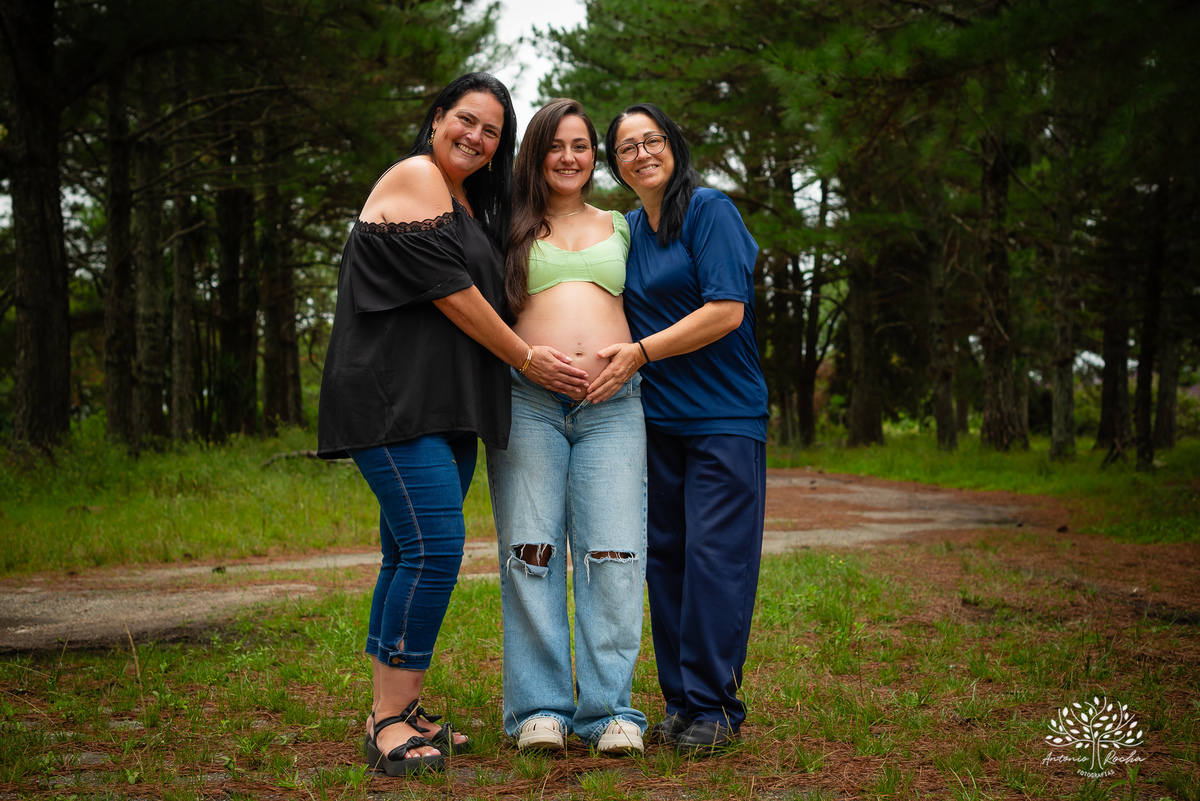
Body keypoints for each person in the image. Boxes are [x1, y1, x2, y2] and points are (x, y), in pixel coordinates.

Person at [316, 74, 589, 776]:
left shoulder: (468, 201)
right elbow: (453, 294)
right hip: (392, 397)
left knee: (405, 553)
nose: (475, 136)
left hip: (445, 405)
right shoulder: (416, 176)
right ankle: (386, 721)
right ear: (436, 119)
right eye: (464, 120)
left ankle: (397, 705)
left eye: (491, 130)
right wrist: (527, 357)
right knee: (435, 550)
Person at [589, 103, 769, 756]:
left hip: (724, 416)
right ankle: (681, 703)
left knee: (715, 561)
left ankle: (717, 705)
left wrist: (639, 353)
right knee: (665, 562)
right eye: (626, 146)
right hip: (657, 423)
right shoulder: (629, 229)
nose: (640, 152)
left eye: (651, 139)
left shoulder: (710, 212)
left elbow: (724, 311)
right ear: (616, 164)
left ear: (674, 146)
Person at [486, 98, 648, 755]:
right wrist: (524, 358)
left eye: (581, 145)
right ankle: (538, 709)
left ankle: (610, 710)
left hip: (614, 406)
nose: (569, 156)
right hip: (528, 402)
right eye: (555, 144)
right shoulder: (508, 226)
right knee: (531, 551)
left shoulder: (622, 224)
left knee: (615, 553)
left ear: (594, 156)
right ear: (536, 153)